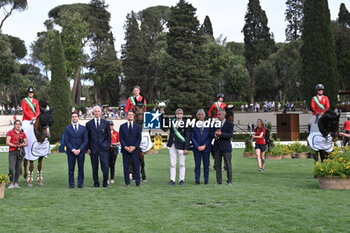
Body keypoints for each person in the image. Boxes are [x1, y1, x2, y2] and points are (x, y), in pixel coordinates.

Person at [86, 106, 111, 188]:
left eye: (98, 111)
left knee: (105, 166)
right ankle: (96, 183)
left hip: (104, 149)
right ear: (93, 113)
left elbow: (109, 136)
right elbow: (87, 137)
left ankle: (105, 182)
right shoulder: (89, 124)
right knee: (94, 167)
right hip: (93, 149)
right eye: (95, 111)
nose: (97, 113)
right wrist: (88, 148)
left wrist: (107, 146)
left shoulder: (106, 123)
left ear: (101, 112)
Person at [21, 86, 41, 186]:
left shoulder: (36, 101)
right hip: (26, 119)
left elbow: (38, 111)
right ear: (27, 93)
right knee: (23, 129)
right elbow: (24, 110)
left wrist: (35, 117)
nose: (31, 93)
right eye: (29, 92)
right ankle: (23, 145)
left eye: (32, 92)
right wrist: (30, 117)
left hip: (34, 119)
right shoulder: (24, 100)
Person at [64, 112, 88, 188]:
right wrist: (73, 150)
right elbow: (66, 141)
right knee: (71, 170)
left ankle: (80, 184)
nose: (74, 118)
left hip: (81, 152)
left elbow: (85, 140)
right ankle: (71, 184)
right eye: (73, 116)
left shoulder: (83, 128)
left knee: (81, 169)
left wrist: (80, 149)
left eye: (76, 116)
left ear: (78, 117)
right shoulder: (67, 128)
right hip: (71, 152)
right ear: (71, 118)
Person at [167, 108, 191, 185]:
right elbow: (163, 126)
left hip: (182, 145)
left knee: (182, 164)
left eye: (180, 113)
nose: (179, 114)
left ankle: (181, 180)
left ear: (182, 114)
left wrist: (187, 148)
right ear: (175, 114)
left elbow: (187, 136)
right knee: (172, 164)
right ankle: (172, 180)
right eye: (177, 113)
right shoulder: (172, 122)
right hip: (172, 145)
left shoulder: (186, 123)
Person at [119, 111, 141, 187]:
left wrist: (134, 147)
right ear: (127, 116)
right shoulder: (122, 126)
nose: (130, 116)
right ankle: (127, 183)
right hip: (125, 150)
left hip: (135, 149)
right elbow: (121, 138)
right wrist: (125, 147)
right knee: (126, 167)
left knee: (136, 166)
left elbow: (139, 138)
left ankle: (138, 182)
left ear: (134, 116)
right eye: (129, 115)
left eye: (132, 115)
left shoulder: (137, 127)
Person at [191, 109, 212, 185]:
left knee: (206, 165)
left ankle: (206, 180)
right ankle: (197, 180)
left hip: (206, 148)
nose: (200, 116)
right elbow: (192, 137)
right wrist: (197, 146)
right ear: (197, 116)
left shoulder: (208, 125)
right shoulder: (193, 125)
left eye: (201, 114)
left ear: (204, 116)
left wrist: (205, 145)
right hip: (197, 149)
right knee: (197, 165)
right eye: (199, 114)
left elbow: (210, 137)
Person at [213, 109, 233, 185]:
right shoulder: (215, 123)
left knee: (228, 165)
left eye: (219, 114)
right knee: (217, 165)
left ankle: (229, 181)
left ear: (224, 115)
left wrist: (221, 134)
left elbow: (230, 135)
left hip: (226, 147)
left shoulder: (229, 124)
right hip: (217, 147)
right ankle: (218, 181)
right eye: (217, 114)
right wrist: (215, 134)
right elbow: (211, 133)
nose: (218, 116)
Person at [6, 120, 28, 188]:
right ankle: (11, 182)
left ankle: (16, 183)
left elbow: (26, 143)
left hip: (20, 152)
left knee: (18, 168)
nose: (18, 125)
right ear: (14, 125)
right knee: (11, 168)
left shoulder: (22, 134)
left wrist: (21, 145)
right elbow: (7, 142)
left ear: (20, 125)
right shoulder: (10, 132)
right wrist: (15, 145)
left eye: (19, 124)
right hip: (12, 151)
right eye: (16, 124)